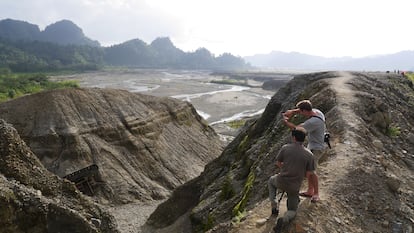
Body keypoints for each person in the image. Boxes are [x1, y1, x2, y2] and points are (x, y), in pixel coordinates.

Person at [268, 127, 317, 233]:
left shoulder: (285, 148)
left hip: (281, 180)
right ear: (304, 139)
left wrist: (284, 169)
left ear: (294, 137)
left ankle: (274, 203)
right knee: (292, 210)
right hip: (294, 187)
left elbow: (278, 162)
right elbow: (310, 173)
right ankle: (285, 219)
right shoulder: (309, 155)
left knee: (271, 181)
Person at [282, 100, 326, 202]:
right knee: (308, 171)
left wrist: (286, 122)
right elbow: (301, 110)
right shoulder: (317, 112)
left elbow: (297, 129)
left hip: (317, 148)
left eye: (301, 112)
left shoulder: (313, 122)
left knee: (311, 171)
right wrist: (292, 112)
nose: (300, 114)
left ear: (305, 111)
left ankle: (316, 194)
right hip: (314, 145)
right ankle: (310, 191)